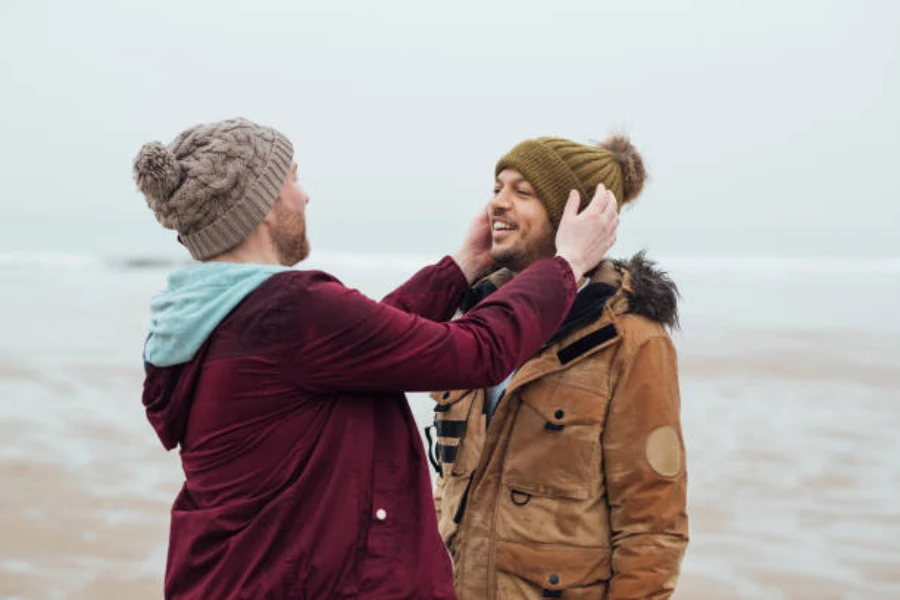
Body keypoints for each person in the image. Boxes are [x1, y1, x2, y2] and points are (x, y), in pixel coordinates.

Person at [132, 118, 620, 599]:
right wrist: (567, 265)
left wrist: (460, 268)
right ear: (262, 205)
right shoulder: (292, 308)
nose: (305, 196)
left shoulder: (199, 320)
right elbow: (478, 351)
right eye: (294, 179)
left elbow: (361, 349)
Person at [429, 135, 688, 599]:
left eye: (521, 192)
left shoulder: (632, 341)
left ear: (576, 217)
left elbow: (652, 530)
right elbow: (447, 485)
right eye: (496, 189)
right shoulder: (476, 324)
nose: (497, 205)